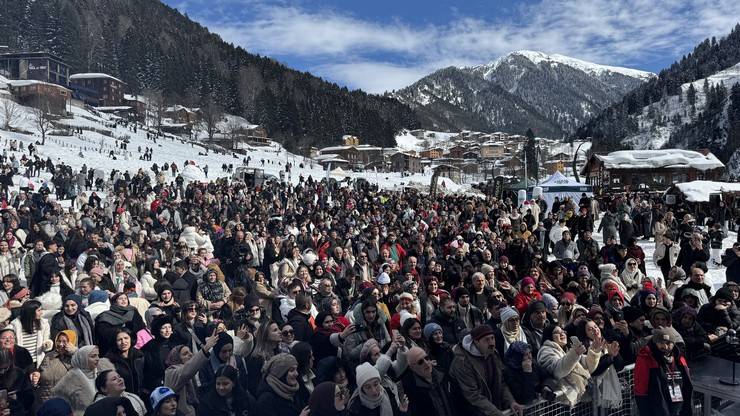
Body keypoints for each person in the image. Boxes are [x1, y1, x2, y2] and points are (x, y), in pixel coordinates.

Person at [449, 324, 522, 416]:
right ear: (476, 341)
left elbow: (501, 383)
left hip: (490, 408)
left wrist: (511, 401)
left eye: (492, 338)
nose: (492, 343)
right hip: (469, 411)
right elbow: (472, 394)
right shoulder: (462, 362)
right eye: (486, 340)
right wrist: (495, 413)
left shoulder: (493, 354)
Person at [634, 328, 693, 416]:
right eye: (661, 343)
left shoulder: (679, 359)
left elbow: (687, 385)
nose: (665, 347)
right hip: (657, 410)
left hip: (678, 409)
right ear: (655, 343)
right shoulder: (646, 358)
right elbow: (640, 391)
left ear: (674, 344)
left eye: (669, 343)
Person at [164, 329, 220, 416]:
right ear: (176, 358)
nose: (190, 354)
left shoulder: (192, 370)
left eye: (190, 352)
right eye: (185, 354)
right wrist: (205, 349)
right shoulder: (171, 372)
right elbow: (186, 371)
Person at [537, 324, 594, 406]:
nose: (562, 333)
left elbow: (586, 364)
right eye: (557, 332)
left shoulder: (566, 349)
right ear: (549, 336)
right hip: (560, 403)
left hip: (577, 398)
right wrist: (575, 354)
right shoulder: (546, 350)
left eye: (563, 331)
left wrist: (594, 352)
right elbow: (557, 371)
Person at [51, 345, 115, 416]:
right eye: (93, 356)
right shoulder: (71, 377)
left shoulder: (102, 371)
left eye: (98, 355)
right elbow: (57, 399)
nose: (97, 359)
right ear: (83, 358)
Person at [401, 346, 455, 416]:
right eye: (420, 362)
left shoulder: (443, 374)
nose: (426, 363)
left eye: (426, 358)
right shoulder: (410, 389)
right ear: (412, 368)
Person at [37, 330, 77, 403]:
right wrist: (36, 376)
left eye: (65, 341)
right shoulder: (49, 356)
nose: (61, 344)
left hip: (66, 402)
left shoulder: (76, 359)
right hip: (46, 401)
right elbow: (40, 373)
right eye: (59, 341)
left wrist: (76, 352)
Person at [9, 299, 52, 367]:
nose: (42, 313)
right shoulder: (15, 325)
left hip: (37, 361)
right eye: (39, 310)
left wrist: (47, 344)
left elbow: (46, 340)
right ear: (30, 312)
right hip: (20, 362)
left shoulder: (44, 324)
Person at [0, 349, 35, 416]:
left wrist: (16, 397)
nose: (2, 372)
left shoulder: (20, 374)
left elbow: (30, 398)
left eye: (5, 368)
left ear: (10, 363)